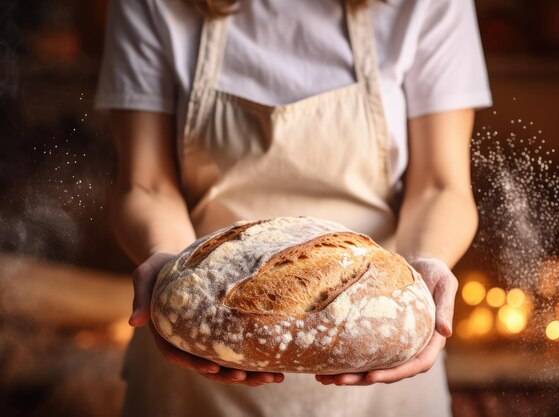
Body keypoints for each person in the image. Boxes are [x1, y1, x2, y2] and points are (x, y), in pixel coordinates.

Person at [95, 0, 491, 415]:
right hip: (195, 369)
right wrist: (171, 279)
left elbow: (440, 185)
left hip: (379, 355)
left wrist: (424, 269)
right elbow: (146, 184)